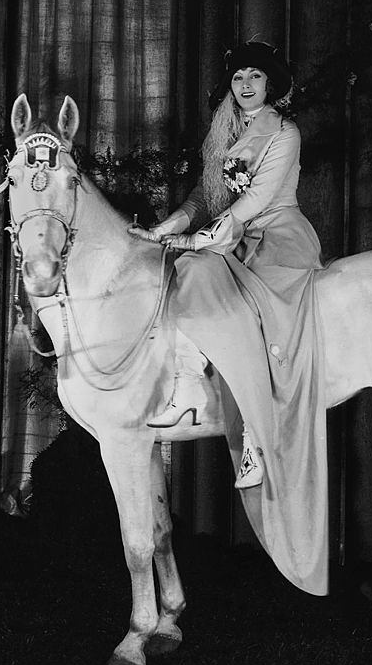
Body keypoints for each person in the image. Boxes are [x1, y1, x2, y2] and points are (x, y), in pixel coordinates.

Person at [129, 40, 329, 593]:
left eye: (256, 77)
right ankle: (191, 384)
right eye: (239, 75)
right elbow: (208, 192)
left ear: (271, 86)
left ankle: (259, 441)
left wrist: (212, 235)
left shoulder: (283, 133)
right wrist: (173, 224)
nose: (246, 84)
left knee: (247, 302)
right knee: (183, 275)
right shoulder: (223, 129)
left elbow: (254, 199)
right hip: (228, 236)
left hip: (274, 235)